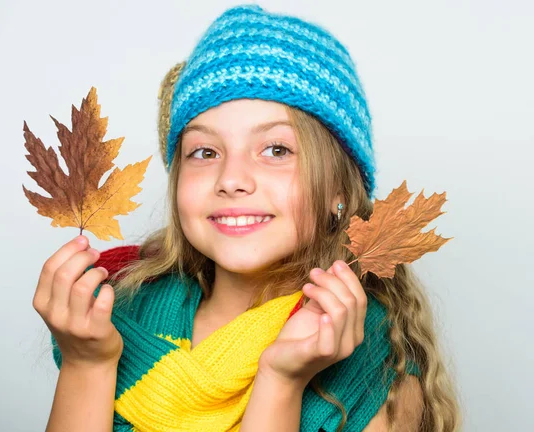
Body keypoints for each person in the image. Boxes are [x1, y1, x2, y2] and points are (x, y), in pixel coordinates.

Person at [33, 4, 461, 431]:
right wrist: (87, 364)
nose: (231, 179)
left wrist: (281, 381)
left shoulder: (380, 376)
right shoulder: (119, 315)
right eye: (205, 152)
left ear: (338, 190)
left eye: (277, 150)